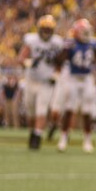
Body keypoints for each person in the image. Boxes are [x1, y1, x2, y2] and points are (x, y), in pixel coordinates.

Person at [51, 18, 96, 153]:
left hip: (87, 78)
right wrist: (63, 51)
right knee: (69, 109)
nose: (87, 34)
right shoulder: (71, 44)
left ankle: (87, 141)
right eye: (84, 31)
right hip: (73, 78)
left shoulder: (92, 44)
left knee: (87, 111)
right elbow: (58, 59)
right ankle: (63, 139)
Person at [18, 14, 63, 149]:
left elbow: (60, 62)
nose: (46, 32)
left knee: (41, 110)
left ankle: (37, 136)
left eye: (49, 29)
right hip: (31, 80)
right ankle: (33, 132)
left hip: (45, 82)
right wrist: (27, 63)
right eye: (44, 28)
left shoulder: (57, 43)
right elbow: (21, 58)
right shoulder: (31, 40)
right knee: (30, 110)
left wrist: (56, 74)